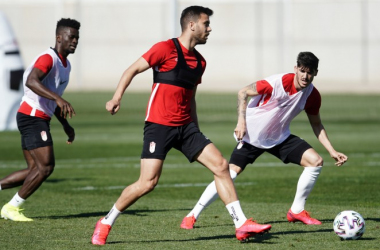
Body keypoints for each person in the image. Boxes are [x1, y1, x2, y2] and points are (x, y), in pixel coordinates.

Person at [91, 5, 271, 245]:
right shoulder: (164, 48)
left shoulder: (200, 63)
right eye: (206, 24)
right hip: (159, 126)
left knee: (221, 165)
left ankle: (241, 224)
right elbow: (132, 69)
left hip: (187, 128)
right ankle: (105, 221)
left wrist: (195, 129)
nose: (209, 29)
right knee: (148, 183)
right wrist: (116, 97)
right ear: (192, 25)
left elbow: (191, 97)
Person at [180, 52, 348, 229]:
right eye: (302, 70)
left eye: (310, 72)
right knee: (229, 174)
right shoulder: (277, 82)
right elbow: (243, 92)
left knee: (315, 161)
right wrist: (241, 121)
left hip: (279, 138)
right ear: (296, 69)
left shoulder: (312, 95)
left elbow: (317, 124)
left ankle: (297, 211)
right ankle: (192, 215)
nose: (305, 76)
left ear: (316, 73)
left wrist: (332, 150)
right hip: (252, 136)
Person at [0, 18, 80, 221]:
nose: (75, 41)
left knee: (33, 170)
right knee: (45, 167)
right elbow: (31, 81)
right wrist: (58, 98)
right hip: (31, 116)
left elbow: (53, 102)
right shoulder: (48, 58)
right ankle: (12, 207)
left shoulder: (66, 65)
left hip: (36, 117)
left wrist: (66, 125)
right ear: (59, 37)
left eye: (77, 38)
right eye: (71, 37)